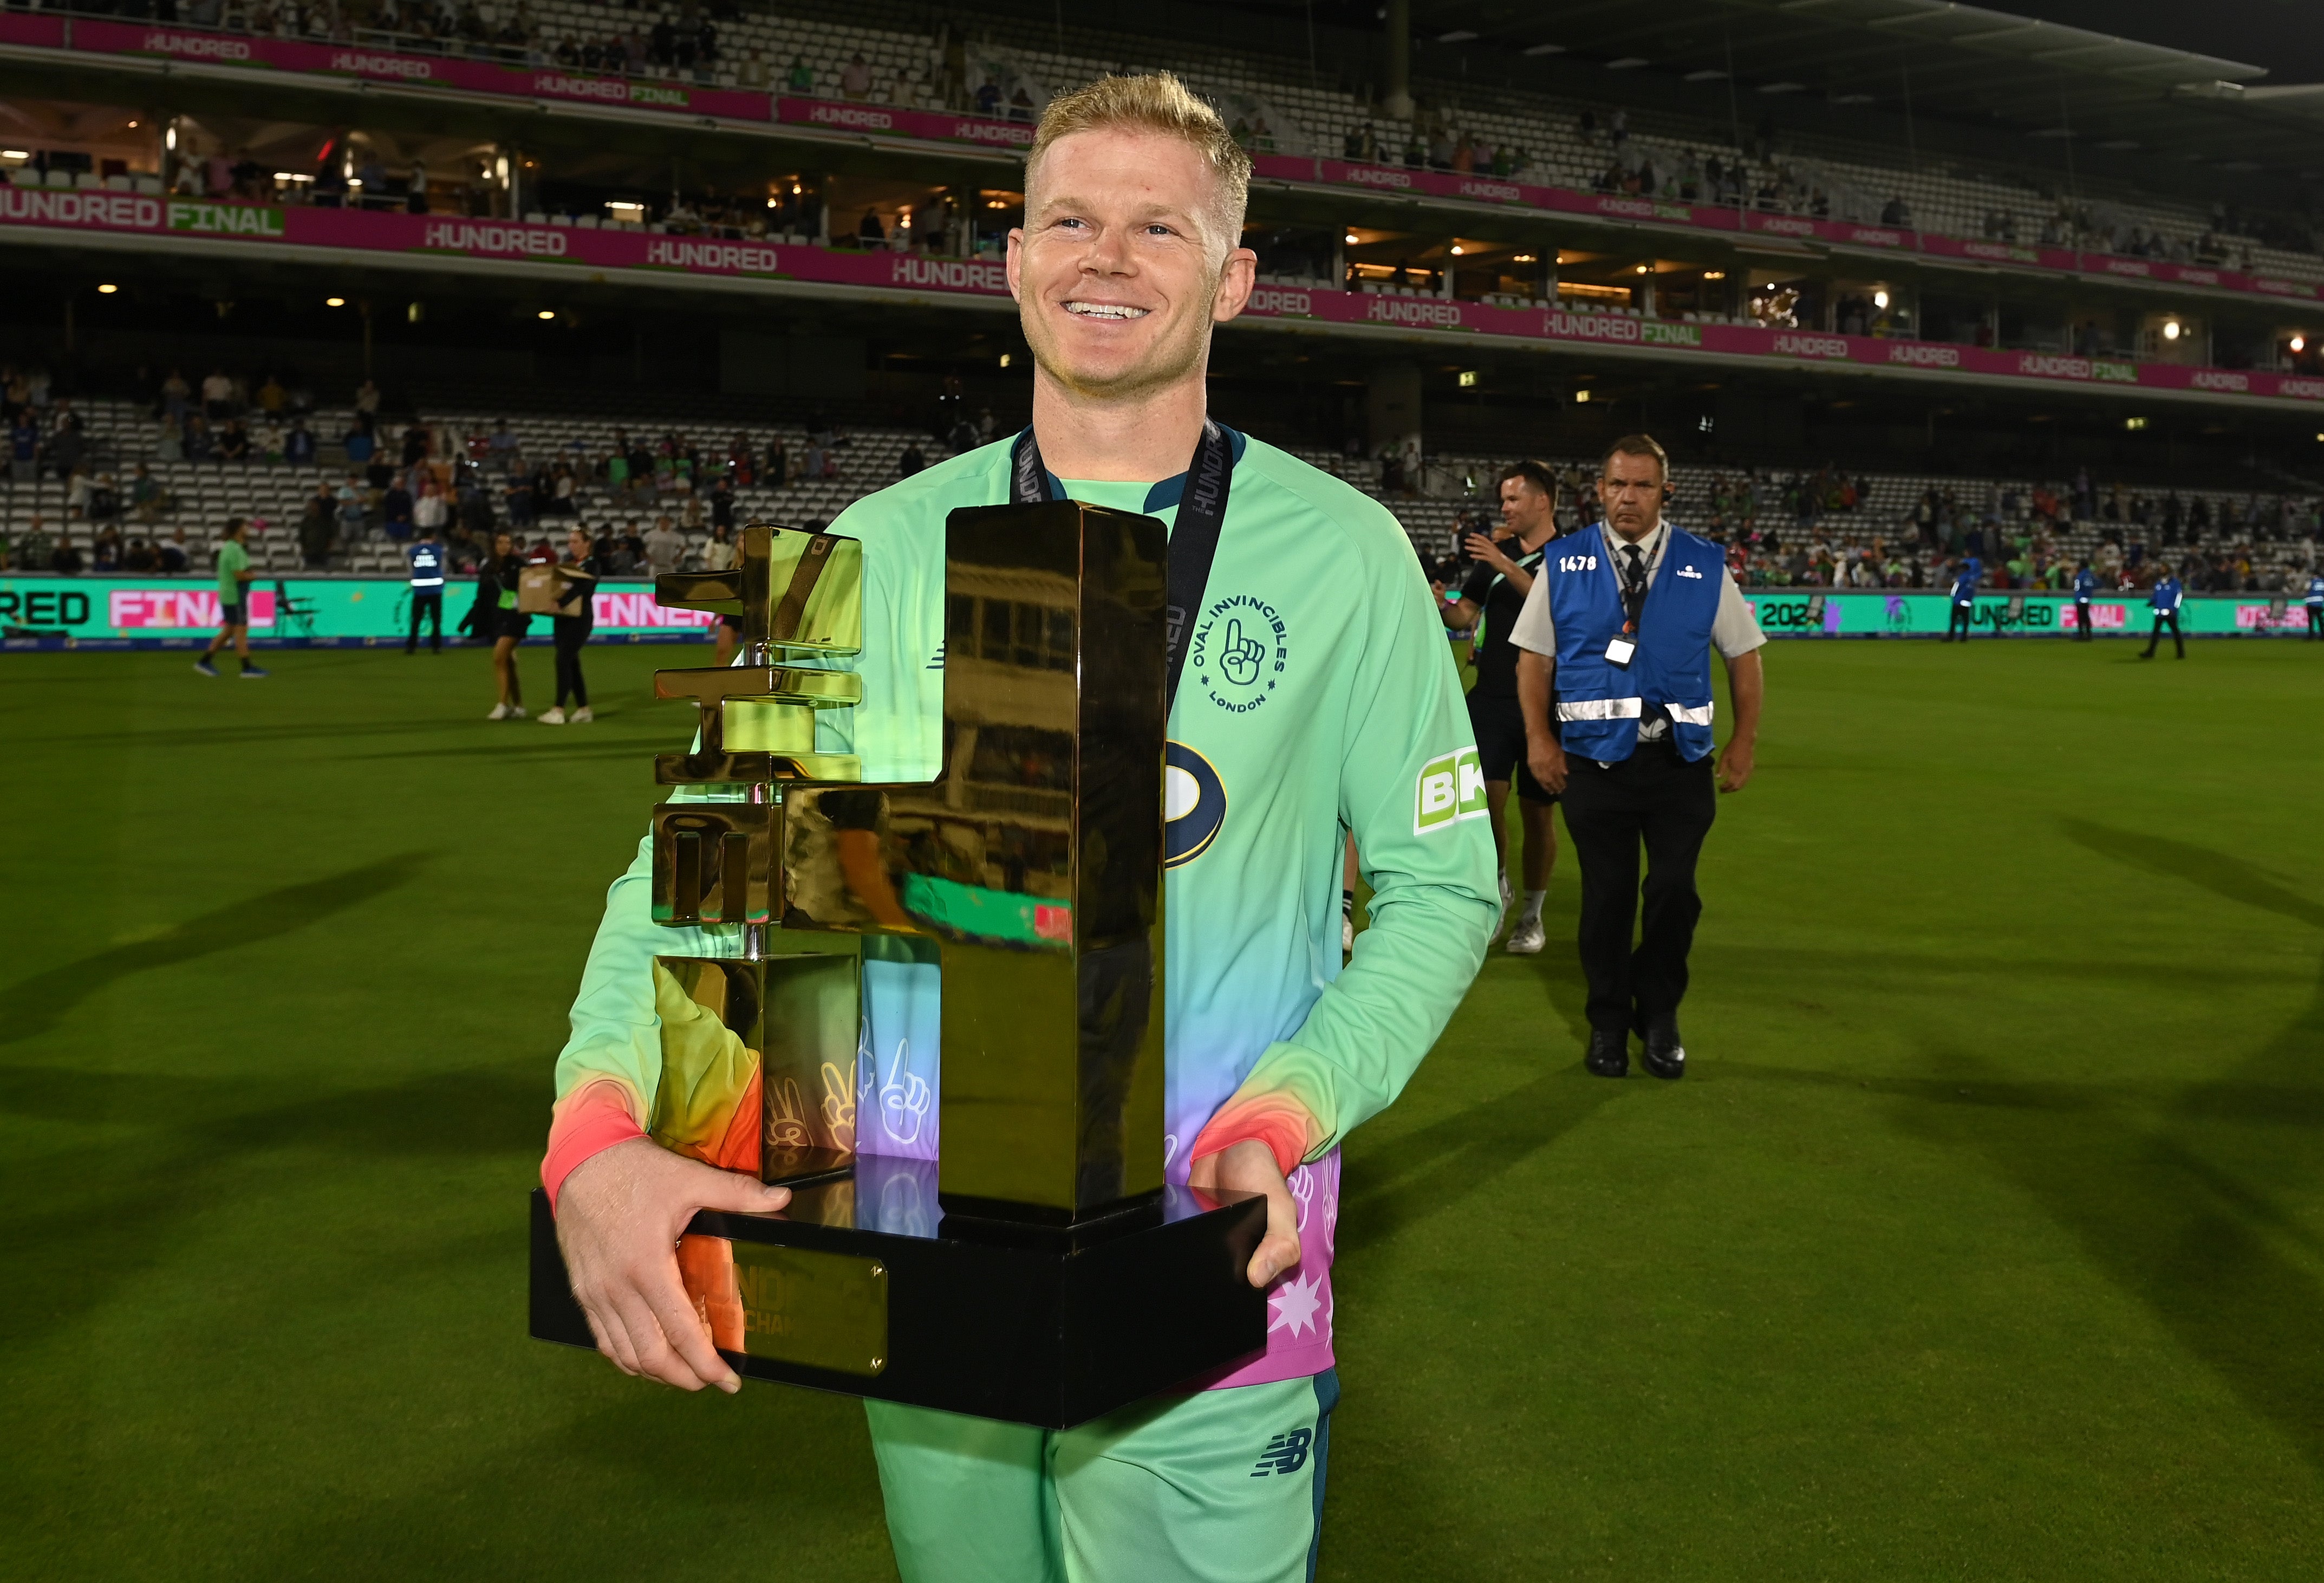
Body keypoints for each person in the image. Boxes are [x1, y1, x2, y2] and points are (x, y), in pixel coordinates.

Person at [539, 72, 1498, 1583]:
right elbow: (693, 864)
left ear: (1234, 278)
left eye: (1155, 228)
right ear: (1012, 257)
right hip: (929, 1251)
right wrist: (592, 1131)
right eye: (1067, 218)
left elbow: (1443, 889)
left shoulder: (1349, 555)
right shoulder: (859, 549)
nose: (1103, 257)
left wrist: (1286, 1112)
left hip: (1209, 1247)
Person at [1511, 433, 1765, 1081]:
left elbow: (1744, 655)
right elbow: (1534, 660)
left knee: (1674, 894)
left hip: (1679, 766)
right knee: (1607, 900)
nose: (1629, 497)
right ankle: (1605, 1023)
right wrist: (1539, 740)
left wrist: (1743, 740)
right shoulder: (1563, 563)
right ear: (1600, 491)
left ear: (1664, 492)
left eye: (1642, 486)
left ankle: (1659, 1016)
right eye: (1618, 485)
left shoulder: (1704, 563)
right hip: (1593, 767)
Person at [1436, 460, 1560, 953]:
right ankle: (1498, 887)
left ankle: (1532, 914)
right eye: (1503, 499)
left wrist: (1503, 564)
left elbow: (1556, 609)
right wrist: (1439, 602)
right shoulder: (1495, 554)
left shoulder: (1570, 555)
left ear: (1542, 501)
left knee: (1538, 813)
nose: (1505, 507)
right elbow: (1465, 613)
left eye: (1513, 499)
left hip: (1545, 701)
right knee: (1485, 801)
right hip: (1489, 696)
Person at [540, 527, 601, 725]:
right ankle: (584, 709)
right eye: (570, 542)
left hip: (580, 619)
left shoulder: (592, 565)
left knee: (563, 659)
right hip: (563, 619)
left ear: (587, 544)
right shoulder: (567, 564)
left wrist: (561, 601)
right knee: (572, 663)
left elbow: (584, 587)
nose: (571, 545)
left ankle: (559, 709)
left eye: (575, 542)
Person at [194, 518, 269, 679]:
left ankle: (205, 661)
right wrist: (252, 576)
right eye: (244, 526)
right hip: (235, 595)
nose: (247, 529)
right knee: (241, 630)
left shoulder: (230, 548)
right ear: (238, 530)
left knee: (229, 630)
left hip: (228, 594)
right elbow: (239, 575)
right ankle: (247, 668)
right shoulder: (234, 549)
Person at [478, 531, 530, 718]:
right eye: (500, 542)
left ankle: (502, 705)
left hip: (516, 618)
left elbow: (530, 590)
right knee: (509, 662)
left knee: (499, 657)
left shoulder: (519, 565)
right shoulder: (488, 567)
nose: (504, 546)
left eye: (508, 542)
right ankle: (519, 706)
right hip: (498, 619)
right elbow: (482, 596)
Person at [405, 522, 448, 654]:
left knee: (416, 620)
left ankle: (411, 647)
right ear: (433, 536)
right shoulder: (439, 550)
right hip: (435, 589)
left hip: (419, 590)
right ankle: (437, 646)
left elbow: (410, 568)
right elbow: (444, 567)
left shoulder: (413, 550)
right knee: (436, 620)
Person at [2140, 568, 2184, 659]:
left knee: (2175, 632)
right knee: (2156, 633)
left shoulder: (2175, 583)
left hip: (2170, 612)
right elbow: (2156, 596)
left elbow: (2179, 597)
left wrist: (2174, 608)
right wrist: (2151, 602)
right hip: (2160, 612)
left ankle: (2181, 653)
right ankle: (2150, 652)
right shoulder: (2159, 583)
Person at [1944, 555, 1981, 641]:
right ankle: (1964, 637)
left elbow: (1957, 587)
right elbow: (1973, 590)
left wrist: (1953, 595)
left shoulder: (1963, 577)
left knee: (1954, 619)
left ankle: (1951, 637)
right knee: (1965, 620)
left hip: (1959, 600)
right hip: (1967, 601)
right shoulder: (1973, 579)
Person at [2071, 560, 2099, 641]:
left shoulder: (2081, 575)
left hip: (2080, 598)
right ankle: (2089, 634)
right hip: (2088, 597)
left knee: (2081, 617)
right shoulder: (2090, 575)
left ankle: (2081, 635)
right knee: (2086, 617)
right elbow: (2097, 583)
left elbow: (2078, 587)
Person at [2305, 568, 2324, 640]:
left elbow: (2306, 588)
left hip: (2311, 603)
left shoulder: (2312, 581)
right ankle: (2323, 635)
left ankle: (2311, 636)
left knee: (2311, 620)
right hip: (2320, 603)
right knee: (2320, 620)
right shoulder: (2323, 582)